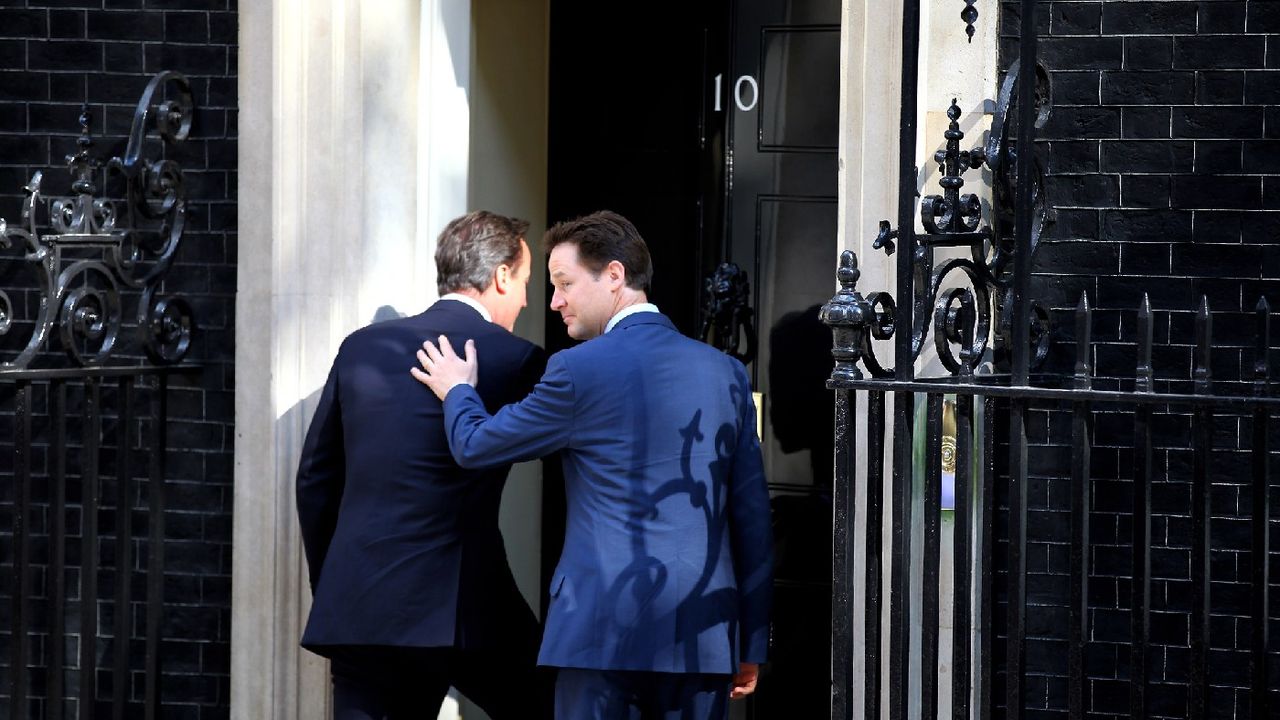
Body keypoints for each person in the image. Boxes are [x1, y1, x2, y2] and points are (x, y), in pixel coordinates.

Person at [411, 210, 774, 720]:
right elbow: (752, 516)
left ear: (615, 276)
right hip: (703, 634)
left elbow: (475, 445)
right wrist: (750, 638)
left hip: (598, 634)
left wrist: (458, 392)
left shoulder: (575, 370)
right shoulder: (727, 373)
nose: (554, 300)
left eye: (564, 284)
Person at [296, 211, 552, 720]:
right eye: (525, 282)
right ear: (501, 276)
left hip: (360, 605)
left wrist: (336, 586)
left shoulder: (360, 346)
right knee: (552, 704)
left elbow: (315, 479)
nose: (526, 299)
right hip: (463, 607)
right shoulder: (516, 359)